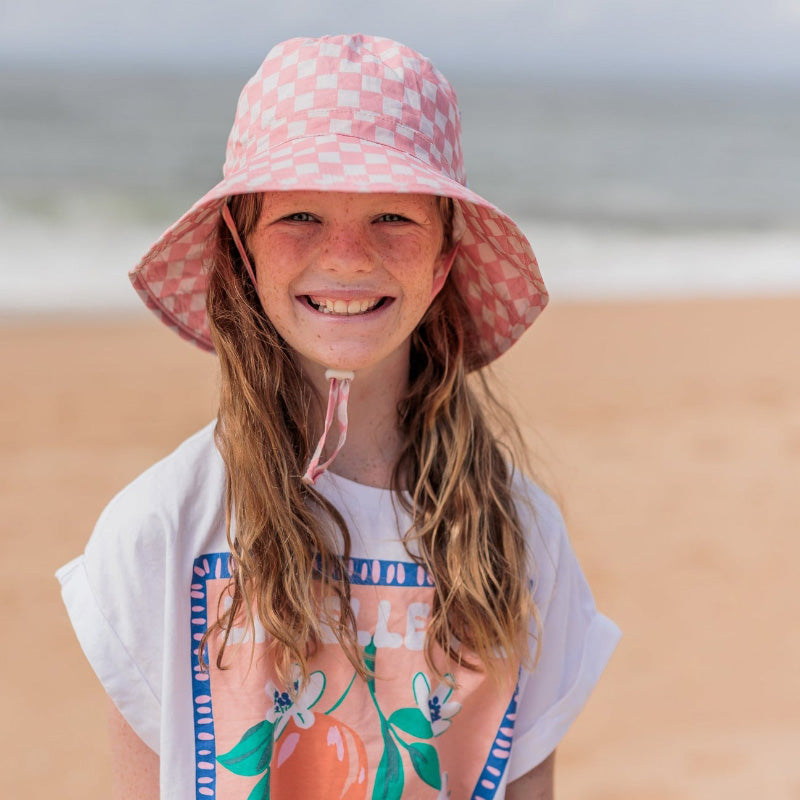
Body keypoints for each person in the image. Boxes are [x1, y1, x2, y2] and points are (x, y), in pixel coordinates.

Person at [57, 34, 620, 800]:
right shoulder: (159, 532)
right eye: (300, 215)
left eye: (393, 216)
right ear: (243, 249)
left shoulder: (524, 540)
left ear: (444, 259)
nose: (349, 256)